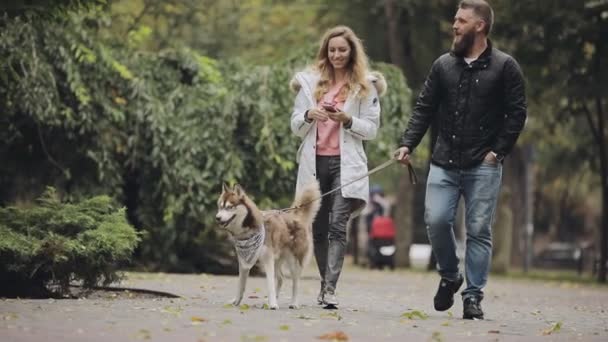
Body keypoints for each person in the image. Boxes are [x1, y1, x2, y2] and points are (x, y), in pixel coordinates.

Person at [395, 0, 527, 319]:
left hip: (484, 165)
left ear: (479, 26)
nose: (454, 25)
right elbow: (424, 108)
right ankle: (451, 275)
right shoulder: (443, 65)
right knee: (437, 220)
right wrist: (407, 144)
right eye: (455, 19)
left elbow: (516, 113)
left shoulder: (505, 66)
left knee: (478, 228)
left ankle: (473, 296)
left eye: (461, 20)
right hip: (443, 161)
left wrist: (498, 151)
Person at [290, 25, 386, 307]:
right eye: (332, 50)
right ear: (325, 52)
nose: (336, 55)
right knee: (318, 228)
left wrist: (347, 120)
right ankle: (324, 285)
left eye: (342, 49)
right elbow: (296, 125)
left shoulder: (364, 86)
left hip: (346, 165)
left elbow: (371, 129)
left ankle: (330, 289)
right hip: (314, 163)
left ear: (352, 51)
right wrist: (309, 114)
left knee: (336, 226)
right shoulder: (309, 84)